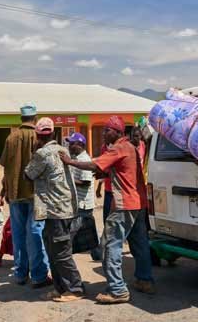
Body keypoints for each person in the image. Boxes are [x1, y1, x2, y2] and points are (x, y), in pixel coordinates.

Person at [59, 116, 154, 304]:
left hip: (124, 204)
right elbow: (119, 169)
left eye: (107, 130)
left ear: (118, 132)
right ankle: (145, 280)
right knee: (140, 244)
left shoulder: (118, 147)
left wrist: (69, 162)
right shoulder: (130, 147)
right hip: (138, 203)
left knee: (110, 246)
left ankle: (117, 290)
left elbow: (94, 164)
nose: (104, 134)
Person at [25, 118, 85, 302]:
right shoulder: (62, 149)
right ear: (53, 133)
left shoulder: (42, 154)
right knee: (53, 251)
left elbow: (28, 174)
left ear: (37, 135)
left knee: (60, 252)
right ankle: (60, 288)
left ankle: (75, 288)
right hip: (62, 209)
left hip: (56, 210)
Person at [0, 103, 50, 288]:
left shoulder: (11, 137)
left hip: (14, 193)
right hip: (35, 194)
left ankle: (21, 274)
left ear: (21, 119)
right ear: (35, 118)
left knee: (19, 235)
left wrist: (4, 190)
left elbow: (5, 167)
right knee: (36, 234)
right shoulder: (37, 137)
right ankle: (39, 275)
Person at [66, 132, 102, 261]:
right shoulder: (77, 158)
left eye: (71, 143)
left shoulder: (84, 160)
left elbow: (86, 183)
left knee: (73, 231)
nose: (69, 146)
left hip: (84, 203)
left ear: (80, 145)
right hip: (81, 202)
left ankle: (66, 253)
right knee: (90, 230)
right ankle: (97, 254)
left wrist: (68, 181)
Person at [96, 143, 113, 224]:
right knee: (106, 217)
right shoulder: (104, 147)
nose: (104, 134)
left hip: (120, 190)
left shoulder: (121, 147)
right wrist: (99, 186)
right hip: (108, 189)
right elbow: (103, 167)